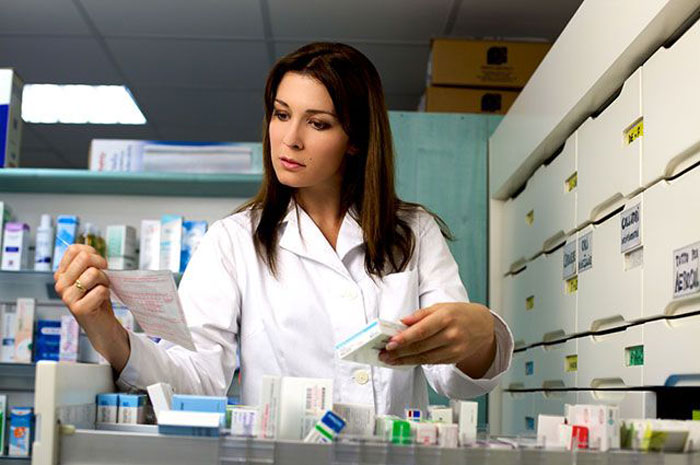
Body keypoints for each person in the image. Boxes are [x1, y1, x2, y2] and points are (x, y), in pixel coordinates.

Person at [53, 42, 513, 416]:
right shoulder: (232, 241)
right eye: (281, 113)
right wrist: (104, 328)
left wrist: (481, 335)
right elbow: (197, 378)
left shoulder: (413, 232)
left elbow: (450, 377)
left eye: (318, 123)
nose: (290, 138)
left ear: (355, 141)